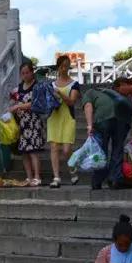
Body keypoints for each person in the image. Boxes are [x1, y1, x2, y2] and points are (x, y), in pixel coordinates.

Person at [81, 84, 132, 190]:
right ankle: (115, 179)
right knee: (118, 148)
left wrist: (89, 125)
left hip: (103, 120)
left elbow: (88, 106)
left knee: (101, 151)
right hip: (122, 120)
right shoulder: (116, 93)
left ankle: (98, 181)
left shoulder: (89, 92)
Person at [9, 60, 46, 186]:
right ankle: (29, 177)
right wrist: (14, 109)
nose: (25, 75)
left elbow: (35, 103)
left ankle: (37, 177)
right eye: (23, 73)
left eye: (27, 72)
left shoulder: (37, 86)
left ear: (32, 72)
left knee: (33, 151)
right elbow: (13, 103)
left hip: (34, 122)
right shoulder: (18, 88)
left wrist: (19, 106)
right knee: (24, 152)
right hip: (21, 123)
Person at [46, 55, 81, 188]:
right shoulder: (51, 85)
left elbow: (71, 102)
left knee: (66, 150)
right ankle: (56, 177)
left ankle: (72, 169)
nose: (64, 68)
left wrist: (60, 94)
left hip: (68, 118)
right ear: (58, 67)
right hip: (53, 118)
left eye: (66, 66)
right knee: (54, 147)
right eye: (61, 66)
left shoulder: (74, 84)